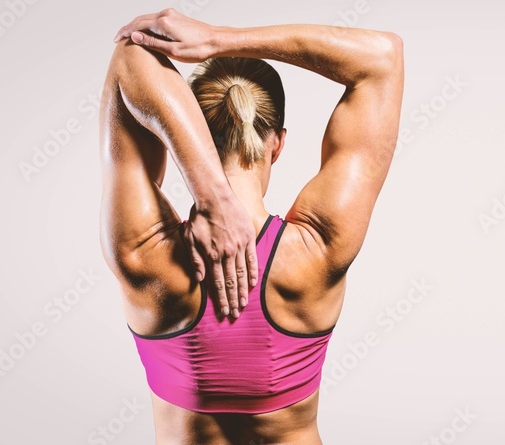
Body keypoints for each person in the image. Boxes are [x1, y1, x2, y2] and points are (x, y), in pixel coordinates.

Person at [98, 9, 404, 444]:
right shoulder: (317, 248)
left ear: (184, 131)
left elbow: (130, 56)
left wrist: (210, 196)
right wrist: (217, 39)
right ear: (277, 143)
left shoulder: (143, 253)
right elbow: (382, 59)